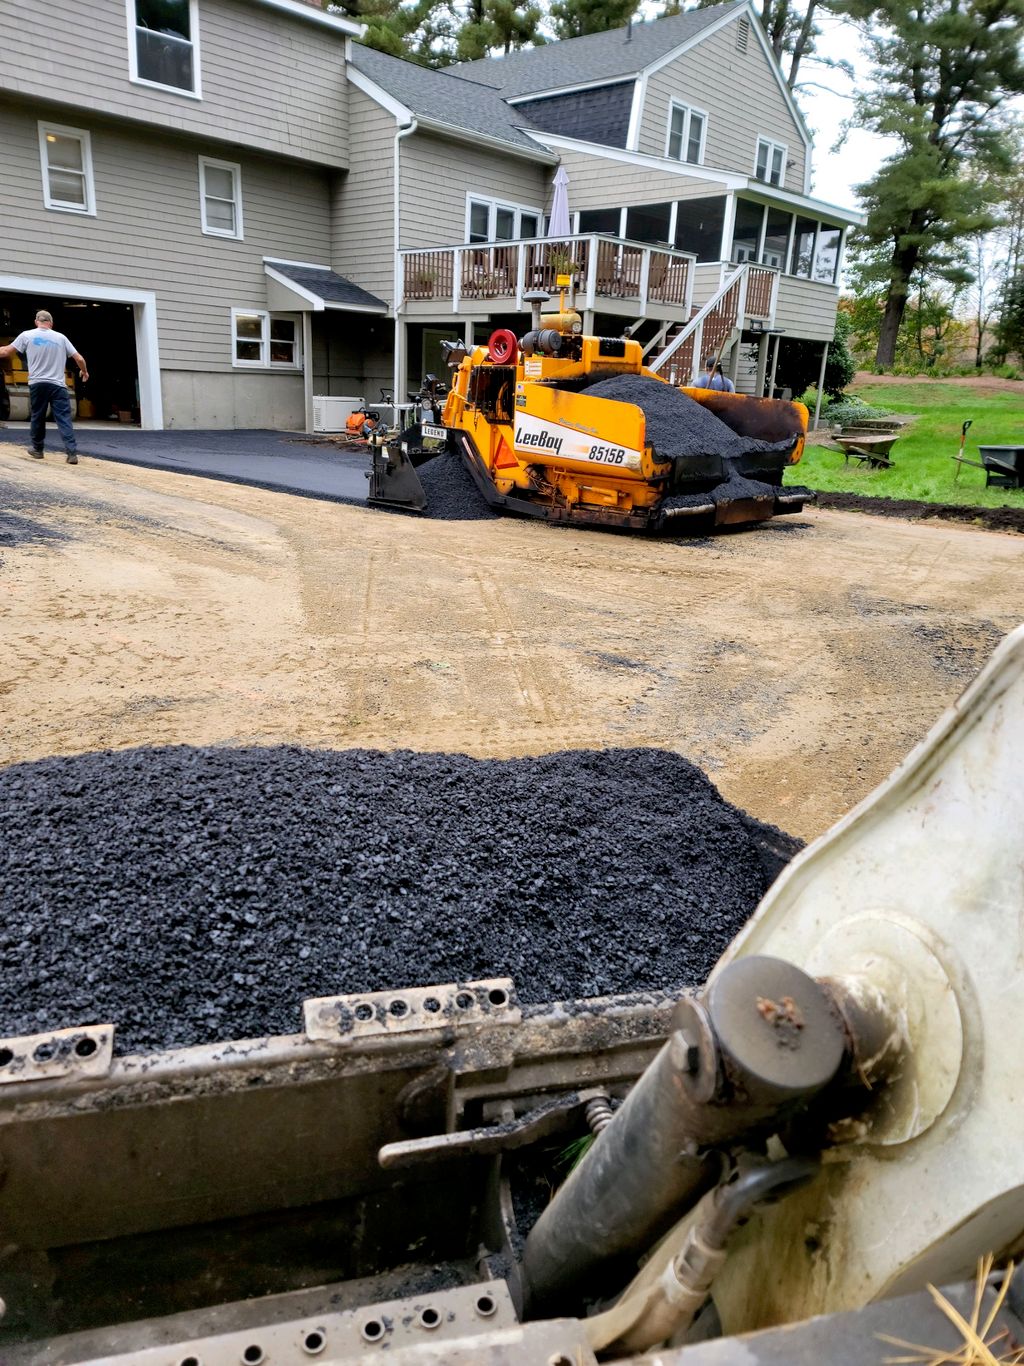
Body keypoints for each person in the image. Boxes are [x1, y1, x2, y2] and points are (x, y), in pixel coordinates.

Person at [0, 310, 88, 464]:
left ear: (36, 322)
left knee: (38, 417)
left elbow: (6, 352)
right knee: (64, 418)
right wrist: (84, 371)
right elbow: (79, 358)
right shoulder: (61, 338)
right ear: (51, 323)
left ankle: (38, 450)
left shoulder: (27, 335)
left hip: (38, 384)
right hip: (58, 386)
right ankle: (72, 453)